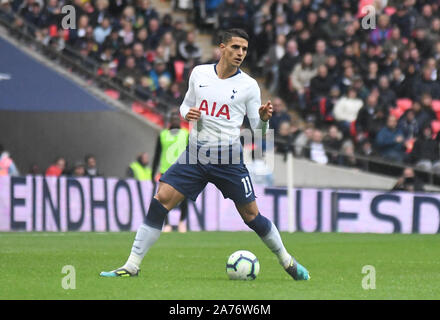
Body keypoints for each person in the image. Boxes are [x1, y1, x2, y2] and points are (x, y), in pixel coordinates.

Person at [100, 28, 310, 281]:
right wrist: (187, 114)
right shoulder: (199, 74)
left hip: (228, 158)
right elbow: (186, 104)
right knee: (161, 200)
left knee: (251, 216)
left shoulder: (249, 86)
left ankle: (287, 261)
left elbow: (258, 130)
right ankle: (132, 265)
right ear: (222, 47)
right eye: (235, 47)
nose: (240, 53)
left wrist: (264, 119)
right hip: (196, 154)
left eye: (244, 49)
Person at [151, 110, 189, 233]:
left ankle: (182, 222)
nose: (175, 120)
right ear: (170, 121)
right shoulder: (163, 135)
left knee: (184, 198)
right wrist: (153, 172)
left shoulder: (186, 134)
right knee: (164, 198)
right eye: (173, 118)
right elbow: (157, 154)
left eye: (177, 118)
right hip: (165, 171)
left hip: (182, 170)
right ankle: (167, 224)